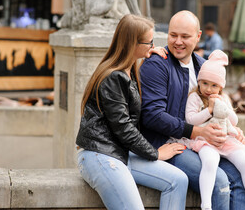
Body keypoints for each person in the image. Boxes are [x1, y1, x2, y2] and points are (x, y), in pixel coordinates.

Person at [140, 10, 245, 210]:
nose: (178, 42)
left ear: (198, 36)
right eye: (173, 35)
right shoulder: (157, 64)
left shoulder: (205, 67)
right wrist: (199, 131)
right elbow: (152, 115)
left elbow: (219, 104)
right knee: (219, 182)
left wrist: (232, 131)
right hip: (171, 144)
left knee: (242, 177)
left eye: (185, 36)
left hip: (203, 143)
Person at [75, 14, 188, 210]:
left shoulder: (129, 70)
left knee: (178, 180)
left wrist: (149, 53)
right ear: (132, 44)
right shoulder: (112, 77)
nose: (153, 46)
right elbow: (124, 128)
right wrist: (155, 153)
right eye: (149, 42)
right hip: (100, 155)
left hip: (120, 153)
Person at [182, 50, 245, 210]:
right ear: (199, 81)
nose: (209, 89)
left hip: (225, 140)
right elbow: (190, 120)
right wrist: (209, 110)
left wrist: (223, 106)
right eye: (204, 83)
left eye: (214, 85)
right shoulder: (194, 97)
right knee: (210, 162)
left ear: (220, 87)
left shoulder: (223, 98)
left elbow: (234, 120)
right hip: (204, 140)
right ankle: (206, 204)